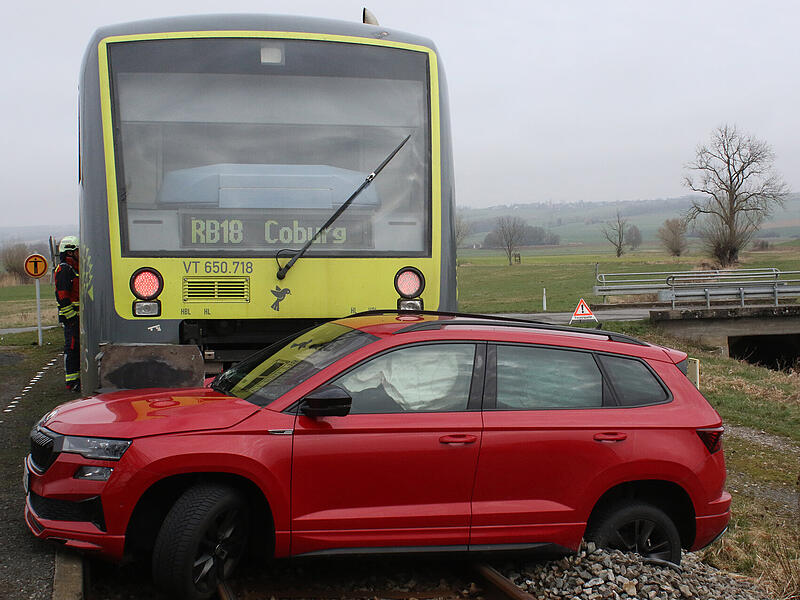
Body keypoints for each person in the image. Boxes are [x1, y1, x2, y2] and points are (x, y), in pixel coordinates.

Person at [55, 236, 80, 392]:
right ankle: (71, 382)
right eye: (77, 250)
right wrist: (71, 318)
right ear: (70, 252)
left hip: (76, 317)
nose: (80, 253)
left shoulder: (73, 269)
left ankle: (76, 379)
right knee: (71, 348)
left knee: (76, 348)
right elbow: (63, 297)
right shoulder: (64, 270)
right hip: (71, 318)